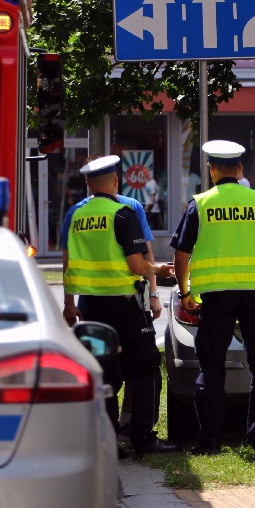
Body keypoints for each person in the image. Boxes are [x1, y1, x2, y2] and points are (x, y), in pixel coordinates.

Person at [170, 140, 255, 454]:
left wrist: (186, 292)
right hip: (254, 296)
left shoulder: (200, 204)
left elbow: (181, 255)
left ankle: (210, 439)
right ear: (239, 170)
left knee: (212, 366)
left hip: (215, 297)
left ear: (211, 170)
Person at [62, 155, 177, 458]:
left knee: (104, 374)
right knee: (144, 365)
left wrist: (69, 304)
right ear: (115, 180)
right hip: (124, 306)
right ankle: (142, 438)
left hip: (90, 308)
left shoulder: (75, 215)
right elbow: (137, 265)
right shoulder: (122, 214)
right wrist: (159, 272)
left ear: (88, 184)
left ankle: (108, 441)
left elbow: (67, 262)